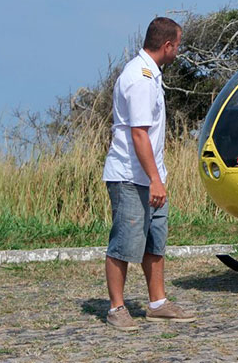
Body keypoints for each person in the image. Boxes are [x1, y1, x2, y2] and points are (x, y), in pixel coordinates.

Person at [102, 17, 196, 330]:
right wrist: (155, 179)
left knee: (154, 241)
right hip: (131, 177)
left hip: (150, 176)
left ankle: (157, 302)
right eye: (178, 44)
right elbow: (139, 134)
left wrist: (158, 177)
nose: (178, 50)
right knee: (124, 243)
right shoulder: (140, 78)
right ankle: (117, 307)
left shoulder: (151, 75)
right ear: (167, 45)